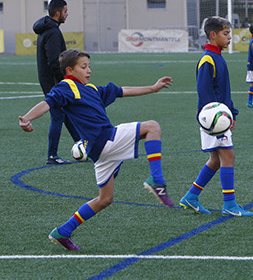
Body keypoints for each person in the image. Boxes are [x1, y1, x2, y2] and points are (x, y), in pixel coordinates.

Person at [18, 49, 174, 251]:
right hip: (104, 139)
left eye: (89, 66)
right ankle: (156, 179)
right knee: (152, 126)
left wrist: (153, 88)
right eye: (83, 67)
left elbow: (122, 90)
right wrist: (27, 118)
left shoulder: (91, 89)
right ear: (69, 70)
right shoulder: (66, 87)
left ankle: (63, 231)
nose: (89, 70)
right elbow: (47, 103)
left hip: (100, 153)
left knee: (105, 199)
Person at [179, 17, 253, 217]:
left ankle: (191, 196)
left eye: (229, 33)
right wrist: (219, 121)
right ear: (213, 35)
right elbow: (206, 96)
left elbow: (223, 92)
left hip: (220, 118)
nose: (230, 37)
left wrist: (232, 114)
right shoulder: (207, 59)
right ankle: (229, 205)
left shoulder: (218, 57)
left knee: (215, 159)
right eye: (226, 33)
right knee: (228, 156)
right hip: (213, 121)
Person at [33, 0, 82, 164]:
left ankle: (81, 144)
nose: (67, 15)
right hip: (53, 81)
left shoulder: (47, 28)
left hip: (50, 79)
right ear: (57, 13)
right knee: (58, 114)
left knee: (65, 111)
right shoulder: (53, 32)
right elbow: (54, 61)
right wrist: (65, 80)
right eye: (65, 11)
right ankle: (52, 156)